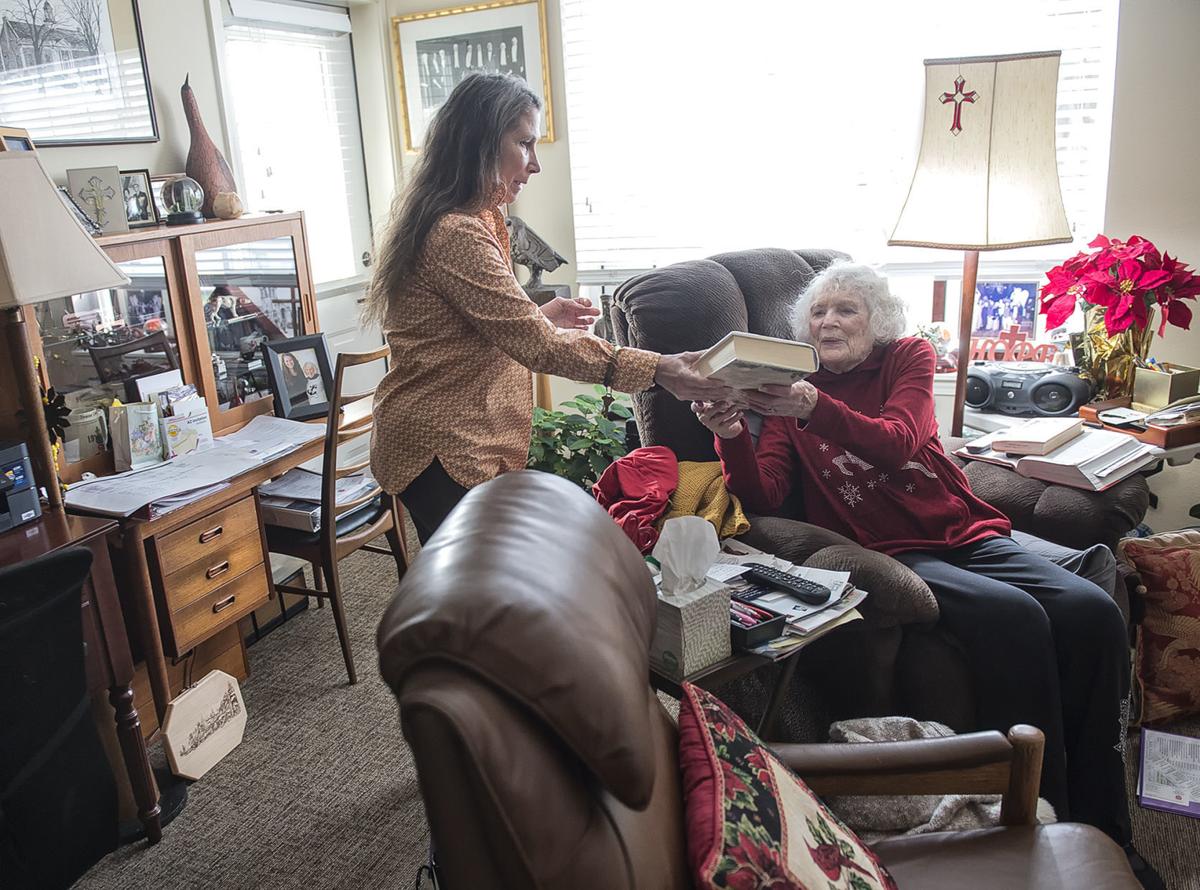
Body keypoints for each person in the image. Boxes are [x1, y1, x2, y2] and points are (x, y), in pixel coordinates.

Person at [692, 262, 1152, 875]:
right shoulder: (785, 396)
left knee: (1092, 611)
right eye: (818, 312)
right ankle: (1042, 812)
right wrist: (730, 436)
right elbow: (767, 495)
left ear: (876, 321)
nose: (829, 320)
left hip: (966, 532)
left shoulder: (906, 357)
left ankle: (1109, 823)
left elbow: (899, 440)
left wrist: (813, 406)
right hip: (896, 552)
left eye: (846, 309)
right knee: (1015, 618)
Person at [364, 73, 734, 543]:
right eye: (524, 143)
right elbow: (539, 350)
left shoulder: (484, 216)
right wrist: (659, 368)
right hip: (441, 443)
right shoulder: (456, 232)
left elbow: (468, 332)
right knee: (470, 590)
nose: (535, 164)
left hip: (469, 435)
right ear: (480, 142)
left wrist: (537, 315)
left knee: (482, 582)